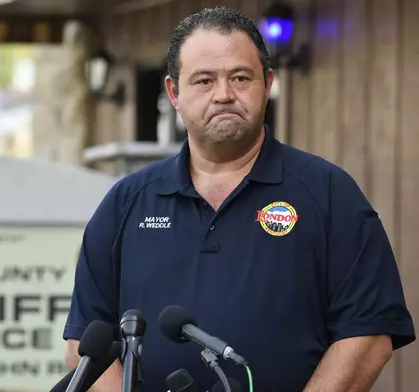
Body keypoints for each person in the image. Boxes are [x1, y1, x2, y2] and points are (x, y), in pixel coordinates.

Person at [63, 6, 415, 392]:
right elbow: (86, 342)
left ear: (267, 83)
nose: (224, 95)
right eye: (204, 81)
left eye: (240, 77)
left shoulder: (328, 193)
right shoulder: (125, 204)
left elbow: (369, 332)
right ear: (174, 93)